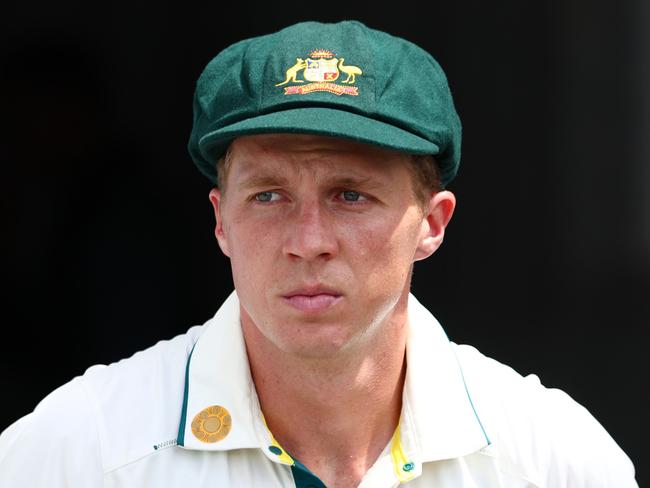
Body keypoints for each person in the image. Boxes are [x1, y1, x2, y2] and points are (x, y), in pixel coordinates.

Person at [0, 20, 637, 488]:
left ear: (432, 223)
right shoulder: (78, 453)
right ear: (221, 222)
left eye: (351, 195)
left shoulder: (555, 461)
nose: (308, 242)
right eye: (270, 195)